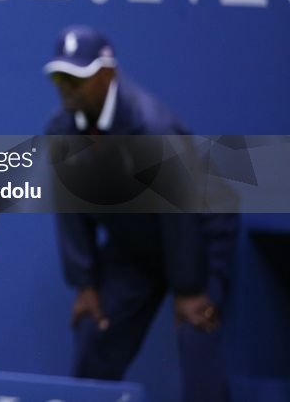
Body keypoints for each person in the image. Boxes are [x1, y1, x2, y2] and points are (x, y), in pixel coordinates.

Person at [43, 25, 238, 402]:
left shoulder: (153, 129)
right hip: (134, 243)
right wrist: (85, 283)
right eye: (59, 77)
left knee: (196, 333)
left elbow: (178, 211)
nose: (66, 86)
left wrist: (189, 288)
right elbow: (71, 209)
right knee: (94, 329)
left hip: (198, 232)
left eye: (76, 78)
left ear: (107, 74)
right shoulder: (60, 131)